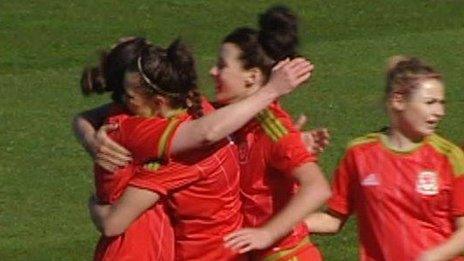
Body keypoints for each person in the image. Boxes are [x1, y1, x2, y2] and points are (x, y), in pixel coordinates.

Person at [84, 38, 315, 260]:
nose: (125, 102)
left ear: (159, 102)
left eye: (130, 96)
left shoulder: (163, 142)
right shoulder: (197, 110)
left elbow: (113, 223)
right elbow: (208, 132)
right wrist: (272, 90)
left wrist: (95, 204)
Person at [304, 56, 464, 261]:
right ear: (398, 100)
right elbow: (333, 220)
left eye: (441, 103)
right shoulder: (359, 154)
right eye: (430, 102)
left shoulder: (449, 157)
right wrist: (280, 226)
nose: (440, 112)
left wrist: (429, 257)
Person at [216, 6, 331, 260]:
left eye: (221, 66)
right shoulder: (232, 119)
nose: (213, 72)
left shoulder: (271, 125)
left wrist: (266, 234)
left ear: (252, 77)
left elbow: (318, 188)